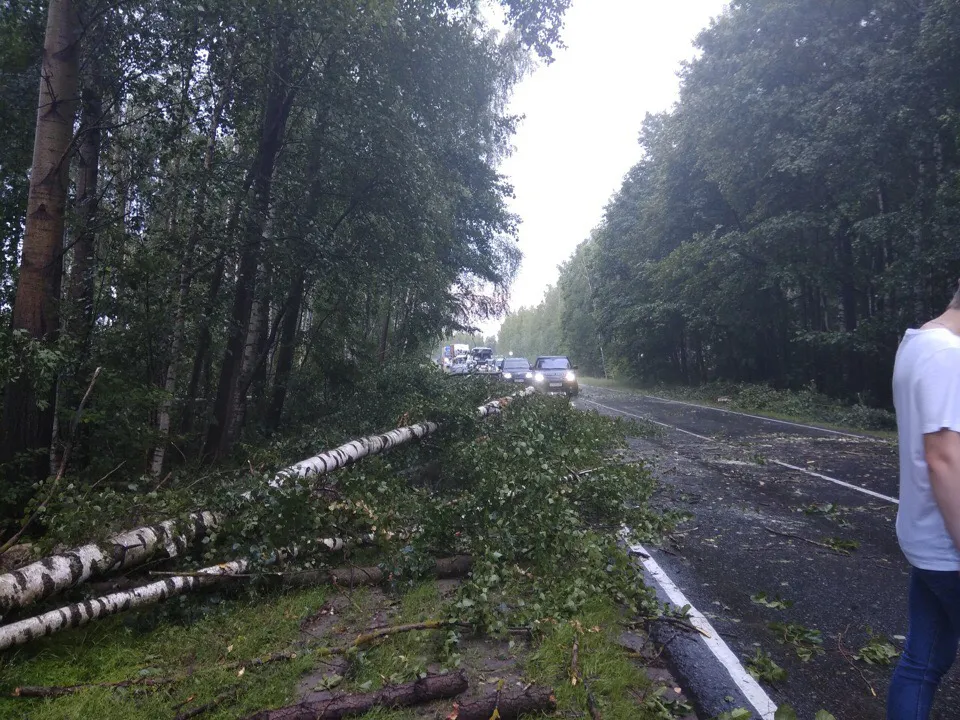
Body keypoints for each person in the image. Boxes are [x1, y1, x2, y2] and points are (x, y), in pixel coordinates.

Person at [888, 282, 960, 719]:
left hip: (926, 540)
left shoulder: (915, 343)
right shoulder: (946, 354)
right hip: (949, 546)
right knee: (923, 662)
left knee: (925, 660)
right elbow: (943, 459)